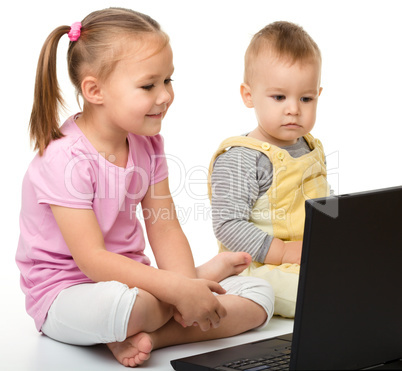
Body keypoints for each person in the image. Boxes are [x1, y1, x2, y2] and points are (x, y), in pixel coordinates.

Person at [16, 8, 275, 368]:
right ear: (95, 90)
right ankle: (173, 299)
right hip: (68, 295)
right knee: (128, 306)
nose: (165, 95)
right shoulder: (64, 159)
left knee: (260, 297)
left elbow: (164, 226)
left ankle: (151, 336)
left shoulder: (147, 145)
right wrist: (180, 290)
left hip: (140, 285)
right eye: (148, 85)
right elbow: (91, 260)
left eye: (168, 80)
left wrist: (184, 287)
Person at [208, 21, 329, 318]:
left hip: (306, 256)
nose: (293, 109)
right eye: (279, 97)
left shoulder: (309, 147)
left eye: (306, 98)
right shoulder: (242, 157)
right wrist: (285, 252)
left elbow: (322, 204)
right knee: (319, 289)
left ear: (318, 94)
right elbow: (228, 224)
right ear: (248, 95)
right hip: (258, 269)